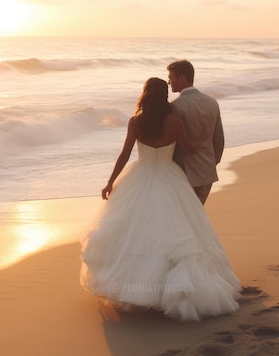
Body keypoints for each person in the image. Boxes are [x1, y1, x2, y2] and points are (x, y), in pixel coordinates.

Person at [80, 77, 241, 322]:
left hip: (140, 176)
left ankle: (133, 290)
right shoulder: (174, 122)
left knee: (134, 230)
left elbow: (124, 154)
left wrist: (111, 181)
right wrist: (202, 140)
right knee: (177, 230)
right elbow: (190, 148)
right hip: (169, 177)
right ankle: (169, 292)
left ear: (145, 94)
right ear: (164, 95)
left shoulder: (136, 122)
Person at [167, 60, 224, 205]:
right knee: (197, 217)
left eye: (171, 77)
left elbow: (171, 143)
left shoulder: (175, 107)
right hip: (207, 172)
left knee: (184, 218)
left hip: (185, 173)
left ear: (182, 78)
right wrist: (212, 162)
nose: (169, 82)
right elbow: (218, 139)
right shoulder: (212, 102)